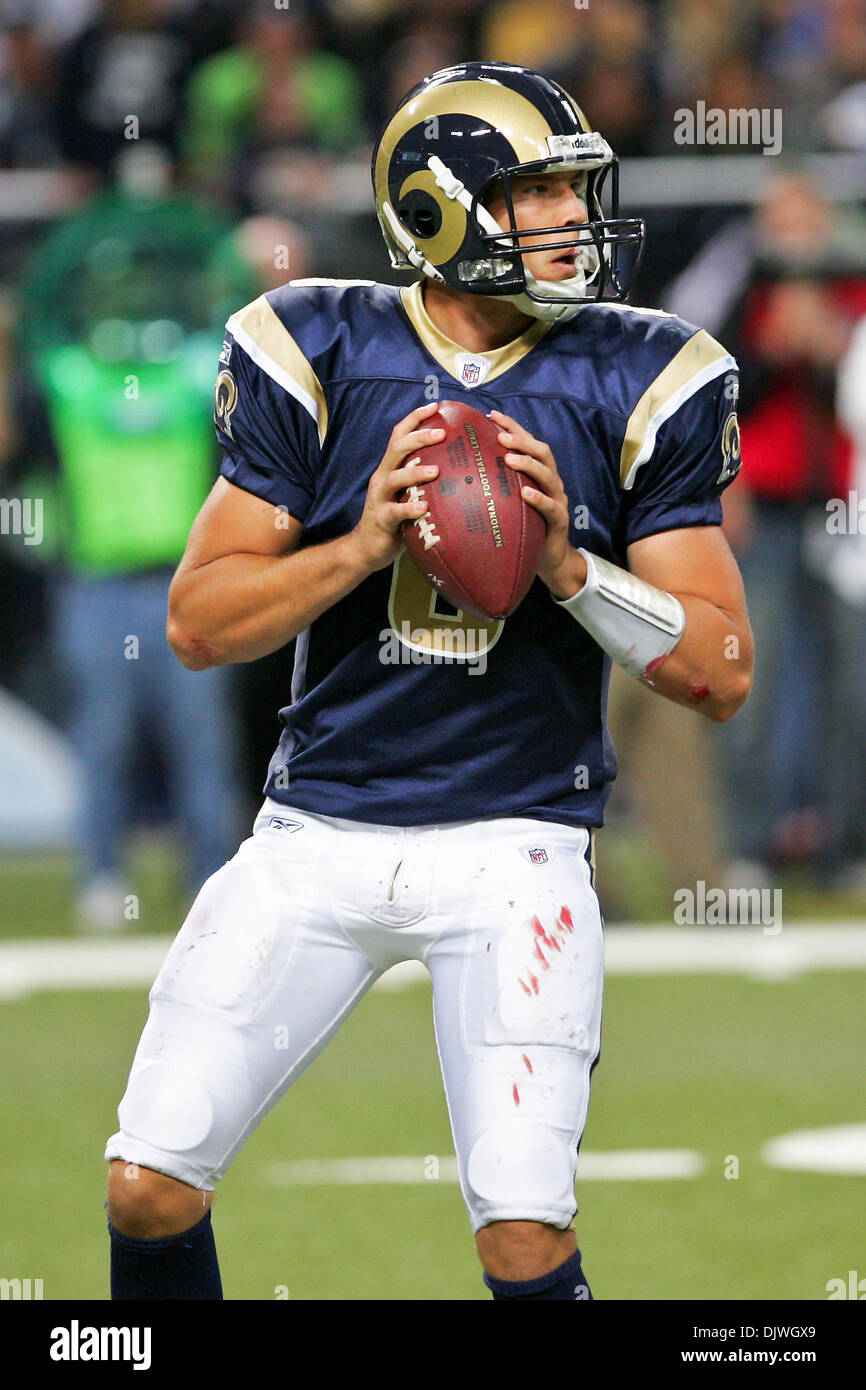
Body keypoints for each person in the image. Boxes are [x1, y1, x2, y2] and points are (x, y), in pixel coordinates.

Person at [104, 62, 753, 1302]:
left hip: (516, 842)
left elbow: (720, 670)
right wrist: (354, 545)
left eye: (577, 191)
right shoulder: (317, 344)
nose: (573, 219)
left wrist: (570, 567)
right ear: (441, 210)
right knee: (147, 1185)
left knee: (521, 1228)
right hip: (317, 831)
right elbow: (197, 623)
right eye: (539, 195)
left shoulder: (643, 373)